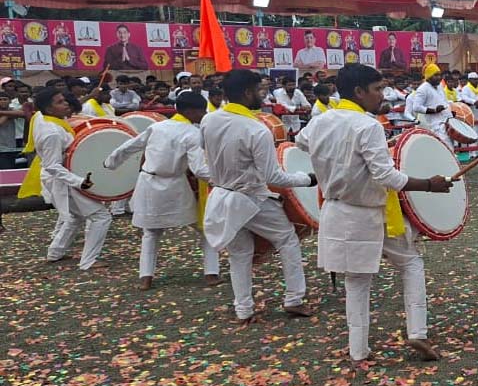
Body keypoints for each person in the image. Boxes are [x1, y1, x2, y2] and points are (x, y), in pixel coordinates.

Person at [296, 64, 448, 365]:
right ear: (359, 92)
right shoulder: (367, 126)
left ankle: (358, 350)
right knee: (411, 263)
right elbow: (386, 177)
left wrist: (340, 158)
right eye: (377, 89)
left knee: (356, 282)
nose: (382, 95)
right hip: (370, 213)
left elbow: (300, 143)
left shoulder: (320, 121)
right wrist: (429, 184)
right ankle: (417, 331)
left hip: (338, 211)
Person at [201, 69, 318, 324]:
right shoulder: (255, 129)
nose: (263, 96)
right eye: (260, 91)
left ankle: (244, 310)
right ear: (246, 92)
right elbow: (273, 177)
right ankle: (294, 299)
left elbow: (205, 156)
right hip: (251, 199)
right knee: (287, 240)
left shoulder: (209, 120)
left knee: (240, 254)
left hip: (221, 197)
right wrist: (307, 179)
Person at [103, 92, 221, 290]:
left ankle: (145, 278)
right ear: (191, 111)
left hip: (148, 182)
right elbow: (200, 169)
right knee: (205, 229)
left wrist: (110, 163)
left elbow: (131, 146)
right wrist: (222, 180)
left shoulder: (157, 126)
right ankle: (211, 274)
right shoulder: (192, 133)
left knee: (151, 233)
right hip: (175, 185)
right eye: (202, 111)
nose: (203, 115)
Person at [18, 88, 112, 270]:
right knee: (101, 216)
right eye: (60, 102)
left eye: (64, 100)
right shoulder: (52, 132)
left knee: (74, 217)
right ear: (49, 109)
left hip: (60, 178)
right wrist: (79, 181)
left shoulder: (41, 117)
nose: (66, 103)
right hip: (62, 180)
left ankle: (55, 253)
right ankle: (88, 261)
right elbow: (53, 165)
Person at [406, 64, 453, 148]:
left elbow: (445, 102)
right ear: (429, 76)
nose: (439, 77)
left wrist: (451, 114)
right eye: (436, 75)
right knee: (445, 148)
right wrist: (434, 110)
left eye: (440, 74)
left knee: (450, 148)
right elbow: (416, 107)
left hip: (447, 122)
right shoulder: (422, 89)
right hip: (436, 125)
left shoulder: (440, 86)